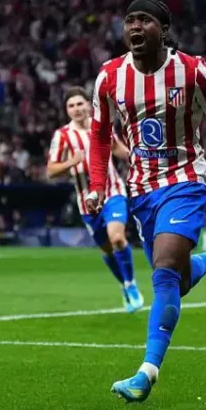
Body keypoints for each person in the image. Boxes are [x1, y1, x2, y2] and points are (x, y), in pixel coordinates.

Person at [85, 0, 206, 403]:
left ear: (164, 30)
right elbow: (100, 135)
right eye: (130, 21)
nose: (135, 27)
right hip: (141, 190)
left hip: (185, 180)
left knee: (166, 270)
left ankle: (146, 372)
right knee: (177, 278)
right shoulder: (110, 77)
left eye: (145, 20)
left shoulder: (194, 71)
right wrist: (97, 183)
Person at [48, 86, 145, 313]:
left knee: (117, 238)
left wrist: (138, 160)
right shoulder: (62, 136)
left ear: (88, 105)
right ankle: (124, 284)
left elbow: (118, 148)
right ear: (67, 110)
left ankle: (131, 284)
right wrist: (71, 162)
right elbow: (51, 170)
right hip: (87, 202)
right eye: (71, 106)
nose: (76, 109)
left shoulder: (101, 126)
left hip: (112, 192)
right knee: (107, 249)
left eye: (79, 104)